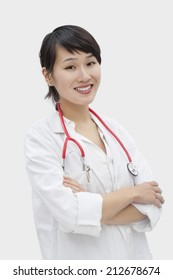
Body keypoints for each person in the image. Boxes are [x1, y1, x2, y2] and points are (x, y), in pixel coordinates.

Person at [24, 25, 164, 260]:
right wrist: (132, 193)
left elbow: (153, 205)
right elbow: (69, 215)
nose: (85, 76)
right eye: (70, 67)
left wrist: (90, 206)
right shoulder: (41, 138)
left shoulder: (116, 131)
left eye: (91, 63)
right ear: (48, 75)